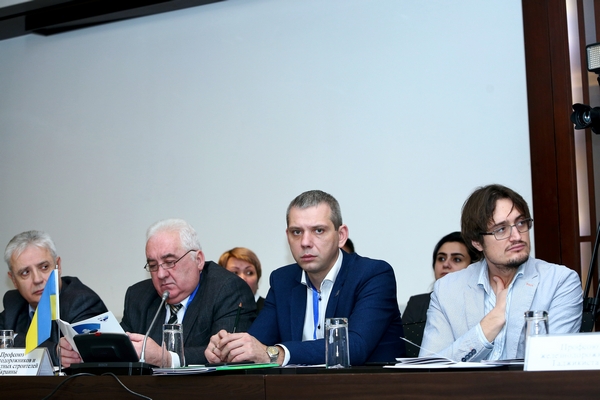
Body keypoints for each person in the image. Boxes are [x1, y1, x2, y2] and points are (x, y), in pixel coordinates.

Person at [205, 190, 405, 366]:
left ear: (341, 235)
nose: (305, 242)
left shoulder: (373, 275)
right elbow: (257, 343)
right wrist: (228, 348)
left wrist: (277, 354)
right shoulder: (282, 280)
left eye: (318, 230)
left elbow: (354, 347)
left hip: (367, 389)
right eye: (296, 232)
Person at [60, 218, 256, 367]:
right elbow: (122, 349)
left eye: (170, 262)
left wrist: (167, 358)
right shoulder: (138, 296)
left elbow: (227, 355)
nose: (161, 274)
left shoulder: (227, 289)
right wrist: (81, 354)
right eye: (153, 265)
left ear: (198, 260)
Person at [420, 184, 583, 361]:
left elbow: (554, 364)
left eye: (521, 223)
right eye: (501, 229)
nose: (517, 236)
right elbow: (430, 368)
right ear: (477, 242)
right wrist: (488, 326)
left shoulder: (559, 282)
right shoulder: (447, 289)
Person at [1, 230, 108, 365]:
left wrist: (13, 340)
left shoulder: (81, 301)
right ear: (13, 280)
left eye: (44, 267)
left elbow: (80, 354)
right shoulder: (14, 303)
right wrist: (53, 351)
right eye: (25, 272)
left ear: (58, 266)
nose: (37, 279)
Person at [403, 231, 478, 325]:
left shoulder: (482, 304)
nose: (446, 264)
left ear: (474, 266)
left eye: (457, 259)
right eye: (441, 258)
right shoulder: (417, 304)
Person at [219, 247, 265, 313]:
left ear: (258, 279)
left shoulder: (272, 311)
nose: (242, 278)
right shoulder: (212, 312)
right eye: (235, 273)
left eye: (249, 272)